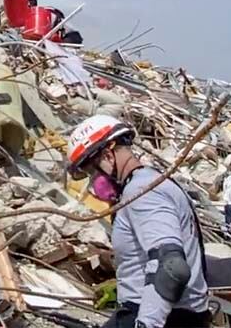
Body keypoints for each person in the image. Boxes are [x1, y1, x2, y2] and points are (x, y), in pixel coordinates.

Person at [66, 114, 210, 327]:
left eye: (91, 172)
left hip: (166, 317)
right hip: (173, 313)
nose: (93, 183)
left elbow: (171, 267)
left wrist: (146, 323)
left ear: (107, 156)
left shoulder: (142, 193)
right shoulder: (152, 181)